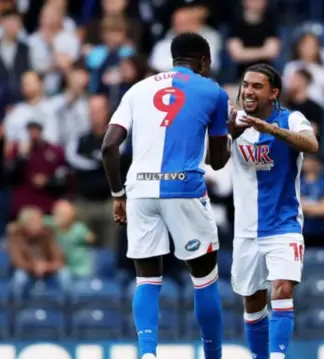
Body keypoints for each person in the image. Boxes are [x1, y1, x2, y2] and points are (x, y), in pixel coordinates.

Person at [101, 32, 231, 359]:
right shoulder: (213, 92)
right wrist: (233, 133)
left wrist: (119, 194)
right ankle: (213, 354)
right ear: (203, 61)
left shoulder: (138, 89)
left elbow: (108, 146)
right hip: (183, 189)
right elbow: (217, 160)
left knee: (147, 278)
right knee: (204, 278)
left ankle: (147, 352)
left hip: (140, 190)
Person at [229, 63, 319, 359]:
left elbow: (312, 144)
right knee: (253, 302)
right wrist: (225, 133)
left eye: (257, 86)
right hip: (245, 229)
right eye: (245, 85)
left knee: (281, 289)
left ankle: (277, 356)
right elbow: (211, 160)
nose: (248, 91)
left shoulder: (292, 118)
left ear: (273, 92)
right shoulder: (234, 123)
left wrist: (272, 130)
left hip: (284, 224)